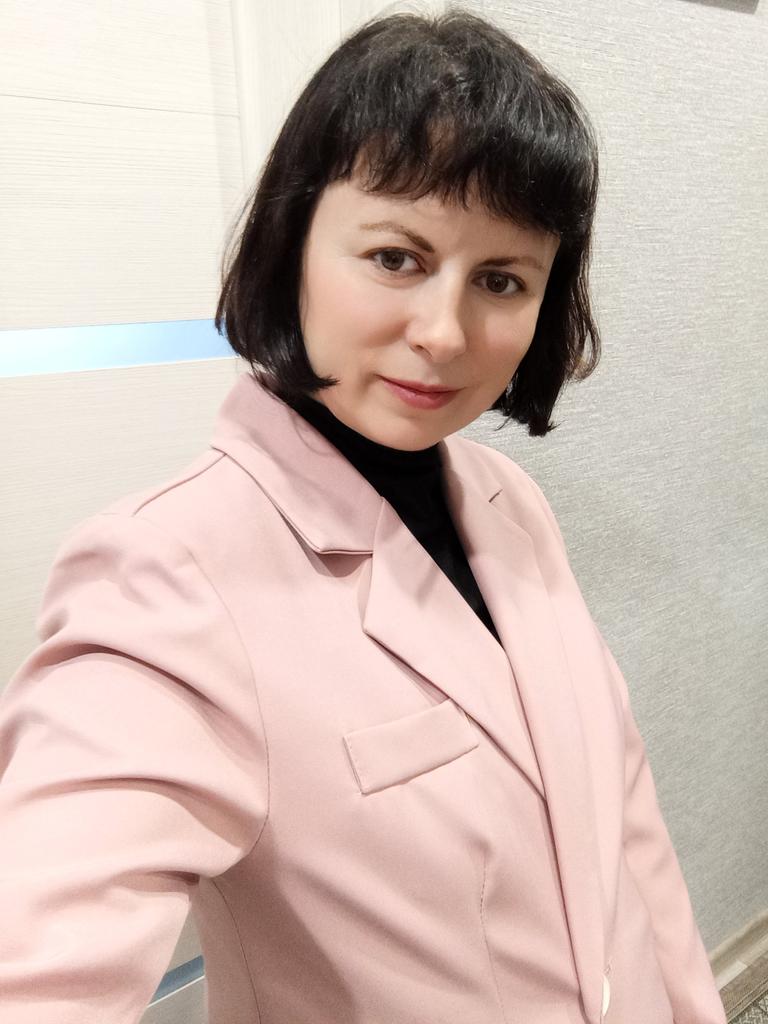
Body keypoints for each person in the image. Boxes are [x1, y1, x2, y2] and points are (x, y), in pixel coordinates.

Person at [0, 8, 726, 1024]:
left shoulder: (509, 502)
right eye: (396, 257)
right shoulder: (165, 578)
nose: (444, 332)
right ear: (293, 242)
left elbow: (626, 826)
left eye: (501, 280)